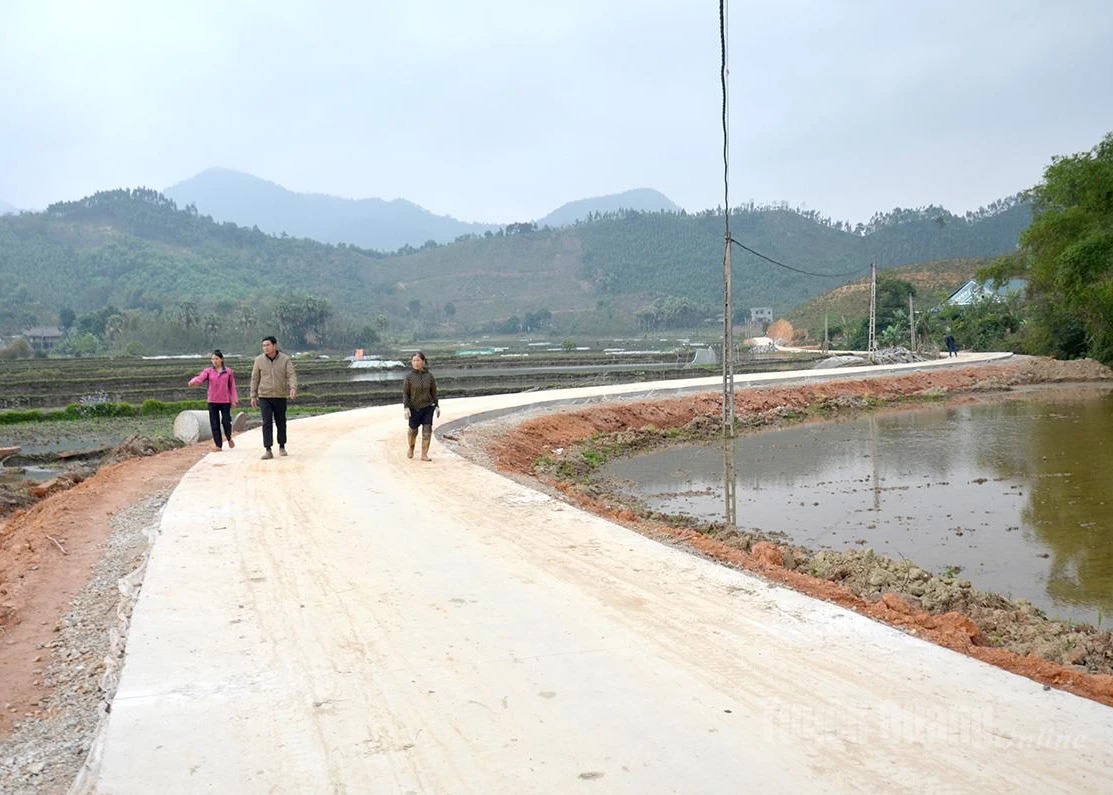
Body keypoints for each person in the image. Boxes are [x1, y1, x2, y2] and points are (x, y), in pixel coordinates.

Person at [250, 335, 297, 460]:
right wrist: (253, 395)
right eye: (263, 345)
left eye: (268, 345)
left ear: (274, 346)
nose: (265, 348)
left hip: (280, 395)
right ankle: (268, 449)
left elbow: (291, 375)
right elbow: (255, 378)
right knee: (266, 422)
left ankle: (282, 446)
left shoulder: (285, 359)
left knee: (281, 422)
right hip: (264, 396)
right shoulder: (258, 360)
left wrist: (293, 387)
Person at [188, 349, 238, 451]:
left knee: (226, 422)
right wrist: (193, 382)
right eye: (212, 359)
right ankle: (218, 445)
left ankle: (229, 437)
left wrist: (234, 400)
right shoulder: (208, 371)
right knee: (214, 423)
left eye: (216, 358)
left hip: (225, 401)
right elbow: (200, 378)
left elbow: (232, 387)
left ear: (221, 359)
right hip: (212, 401)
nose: (214, 361)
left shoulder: (228, 372)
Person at [402, 351, 439, 462]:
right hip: (414, 407)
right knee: (413, 430)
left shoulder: (429, 376)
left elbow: (434, 391)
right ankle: (411, 447)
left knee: (427, 430)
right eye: (414, 360)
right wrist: (406, 407)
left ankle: (424, 454)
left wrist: (437, 405)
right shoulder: (409, 377)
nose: (416, 363)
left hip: (428, 406)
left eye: (418, 360)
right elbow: (405, 393)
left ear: (423, 361)